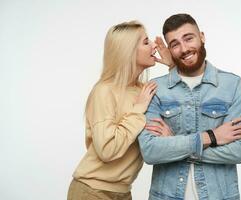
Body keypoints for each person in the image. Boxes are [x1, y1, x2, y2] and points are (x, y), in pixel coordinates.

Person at [138, 13, 241, 200]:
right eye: (174, 44)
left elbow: (238, 151)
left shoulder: (232, 85)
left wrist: (175, 143)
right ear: (170, 49)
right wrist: (212, 137)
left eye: (188, 38)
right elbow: (151, 152)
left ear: (202, 37)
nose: (184, 48)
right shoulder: (156, 89)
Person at [67, 20, 174, 200]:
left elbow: (182, 106)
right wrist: (138, 109)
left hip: (123, 192)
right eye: (146, 42)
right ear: (129, 50)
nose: (155, 45)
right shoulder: (104, 91)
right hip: (91, 191)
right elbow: (107, 150)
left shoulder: (144, 90)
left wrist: (173, 67)